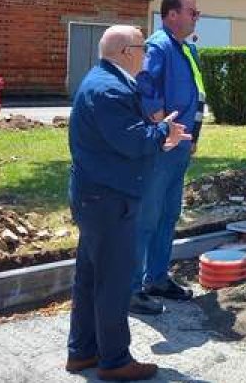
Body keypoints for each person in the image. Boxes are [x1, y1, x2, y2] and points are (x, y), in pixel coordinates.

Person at [66, 25, 189, 381]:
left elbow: (122, 139)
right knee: (113, 282)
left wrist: (158, 135)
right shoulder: (109, 89)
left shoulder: (106, 82)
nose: (148, 56)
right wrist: (164, 132)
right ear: (126, 52)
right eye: (143, 48)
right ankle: (115, 360)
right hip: (108, 199)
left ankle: (83, 352)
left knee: (90, 278)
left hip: (97, 196)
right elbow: (132, 141)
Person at [132, 0, 205, 312]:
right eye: (192, 12)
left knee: (168, 214)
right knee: (148, 215)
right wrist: (162, 125)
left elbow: (197, 95)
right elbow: (145, 84)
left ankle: (157, 277)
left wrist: (194, 137)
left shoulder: (186, 50)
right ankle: (133, 287)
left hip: (181, 145)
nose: (196, 17)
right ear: (171, 15)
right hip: (163, 145)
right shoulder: (158, 46)